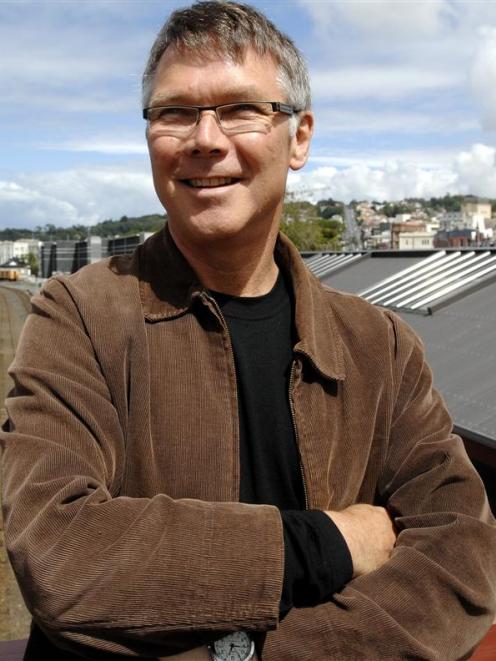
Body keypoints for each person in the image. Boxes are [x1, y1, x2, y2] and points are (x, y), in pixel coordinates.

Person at [1, 2, 495, 660]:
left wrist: (266, 653)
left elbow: (462, 553)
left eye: (240, 109)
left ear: (299, 137)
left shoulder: (381, 345)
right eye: (174, 111)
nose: (205, 137)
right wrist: (331, 542)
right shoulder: (78, 314)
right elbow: (56, 548)